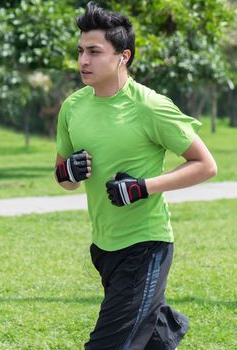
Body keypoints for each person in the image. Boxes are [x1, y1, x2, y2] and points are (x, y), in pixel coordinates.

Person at [55, 2, 217, 349]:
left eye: (95, 52)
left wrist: (143, 187)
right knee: (148, 337)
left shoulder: (149, 105)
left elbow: (205, 164)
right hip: (103, 247)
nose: (84, 60)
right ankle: (163, 328)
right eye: (81, 50)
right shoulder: (72, 107)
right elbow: (64, 177)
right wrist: (68, 170)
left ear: (122, 56)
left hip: (145, 246)